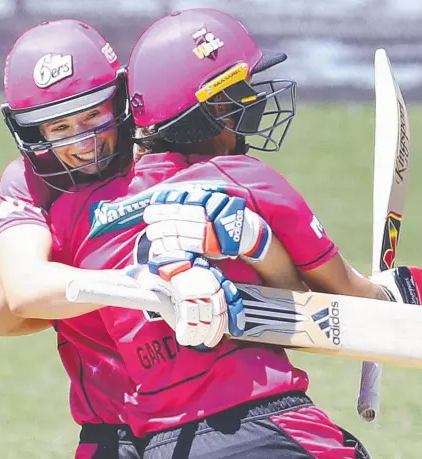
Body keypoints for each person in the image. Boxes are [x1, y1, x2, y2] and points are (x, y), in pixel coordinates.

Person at [45, 8, 422, 458]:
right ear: (208, 112)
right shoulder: (243, 177)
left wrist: (260, 251)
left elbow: (12, 312)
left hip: (154, 444)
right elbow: (342, 298)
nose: (253, 104)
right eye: (237, 96)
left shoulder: (76, 215)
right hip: (262, 420)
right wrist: (399, 288)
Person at [0, 19, 145, 459]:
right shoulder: (28, 179)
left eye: (93, 115)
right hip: (112, 433)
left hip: (208, 414)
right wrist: (140, 286)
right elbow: (12, 307)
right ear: (33, 133)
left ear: (117, 100)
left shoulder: (159, 150)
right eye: (58, 129)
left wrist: (65, 279)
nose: (83, 142)